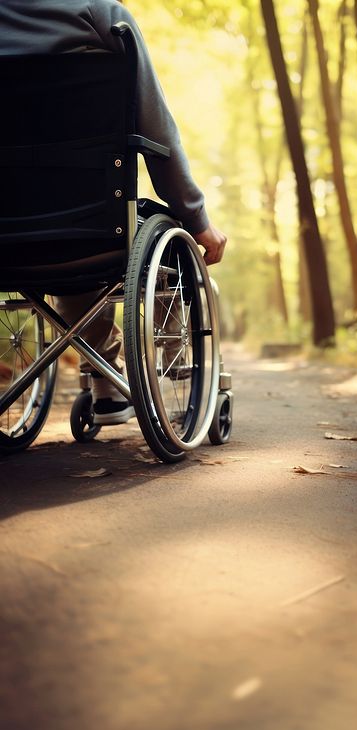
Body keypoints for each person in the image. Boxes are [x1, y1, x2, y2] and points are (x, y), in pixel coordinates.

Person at [0, 0, 227, 424]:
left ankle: (105, 380)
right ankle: (173, 349)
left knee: (58, 233)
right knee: (130, 229)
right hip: (89, 226)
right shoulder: (99, 16)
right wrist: (197, 219)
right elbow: (157, 135)